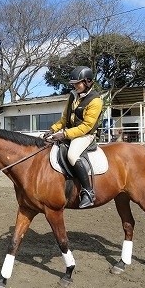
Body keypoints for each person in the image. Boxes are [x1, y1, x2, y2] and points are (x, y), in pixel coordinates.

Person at [44, 66, 103, 208]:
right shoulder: (73, 96)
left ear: (87, 82)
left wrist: (64, 134)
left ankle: (88, 192)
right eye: (74, 83)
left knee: (72, 155)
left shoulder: (95, 101)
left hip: (86, 135)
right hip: (71, 133)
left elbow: (87, 126)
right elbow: (64, 119)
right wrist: (52, 129)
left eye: (78, 83)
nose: (75, 86)